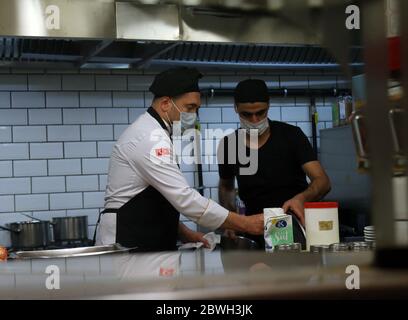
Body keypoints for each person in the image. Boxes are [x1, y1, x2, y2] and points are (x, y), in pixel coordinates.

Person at [94, 67, 264, 251]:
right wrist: (245, 223)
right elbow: (184, 198)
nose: (194, 116)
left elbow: (160, 200)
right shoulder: (149, 138)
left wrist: (185, 233)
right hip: (126, 242)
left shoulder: (157, 134)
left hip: (142, 241)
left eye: (197, 109)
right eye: (190, 108)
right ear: (166, 103)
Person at [218, 79, 331, 247]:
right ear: (236, 108)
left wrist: (301, 198)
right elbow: (226, 187)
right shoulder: (229, 144)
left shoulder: (292, 136)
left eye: (260, 113)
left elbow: (322, 181)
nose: (255, 119)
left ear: (268, 106)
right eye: (247, 115)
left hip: (295, 230)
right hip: (254, 233)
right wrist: (232, 219)